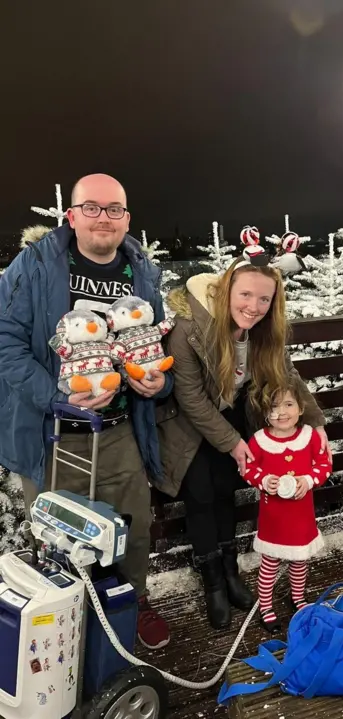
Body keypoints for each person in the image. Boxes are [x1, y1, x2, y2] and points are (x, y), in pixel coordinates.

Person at [0, 174, 173, 649]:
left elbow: (150, 343)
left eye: (114, 209)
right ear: (71, 216)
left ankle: (130, 603)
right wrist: (56, 392)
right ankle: (66, 626)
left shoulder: (143, 273)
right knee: (59, 538)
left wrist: (157, 379)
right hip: (50, 432)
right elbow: (6, 343)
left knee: (132, 526)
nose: (104, 218)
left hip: (119, 430)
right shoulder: (33, 267)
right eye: (91, 208)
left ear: (127, 219)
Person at [156, 240, 331, 629]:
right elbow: (190, 397)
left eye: (264, 299)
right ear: (226, 291)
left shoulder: (264, 334)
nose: (254, 306)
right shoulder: (189, 330)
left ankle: (232, 573)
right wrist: (233, 443)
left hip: (235, 416)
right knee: (201, 495)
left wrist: (316, 424)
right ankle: (213, 583)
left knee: (226, 492)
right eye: (246, 295)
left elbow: (287, 376)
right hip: (189, 425)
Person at [242, 380, 332, 632]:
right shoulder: (259, 441)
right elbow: (248, 468)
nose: (281, 413)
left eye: (288, 404)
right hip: (274, 519)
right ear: (264, 412)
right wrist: (263, 480)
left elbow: (323, 465)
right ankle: (266, 605)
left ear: (301, 408)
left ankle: (298, 597)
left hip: (301, 518)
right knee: (269, 564)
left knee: (299, 561)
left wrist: (308, 479)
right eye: (273, 407)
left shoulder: (310, 437)